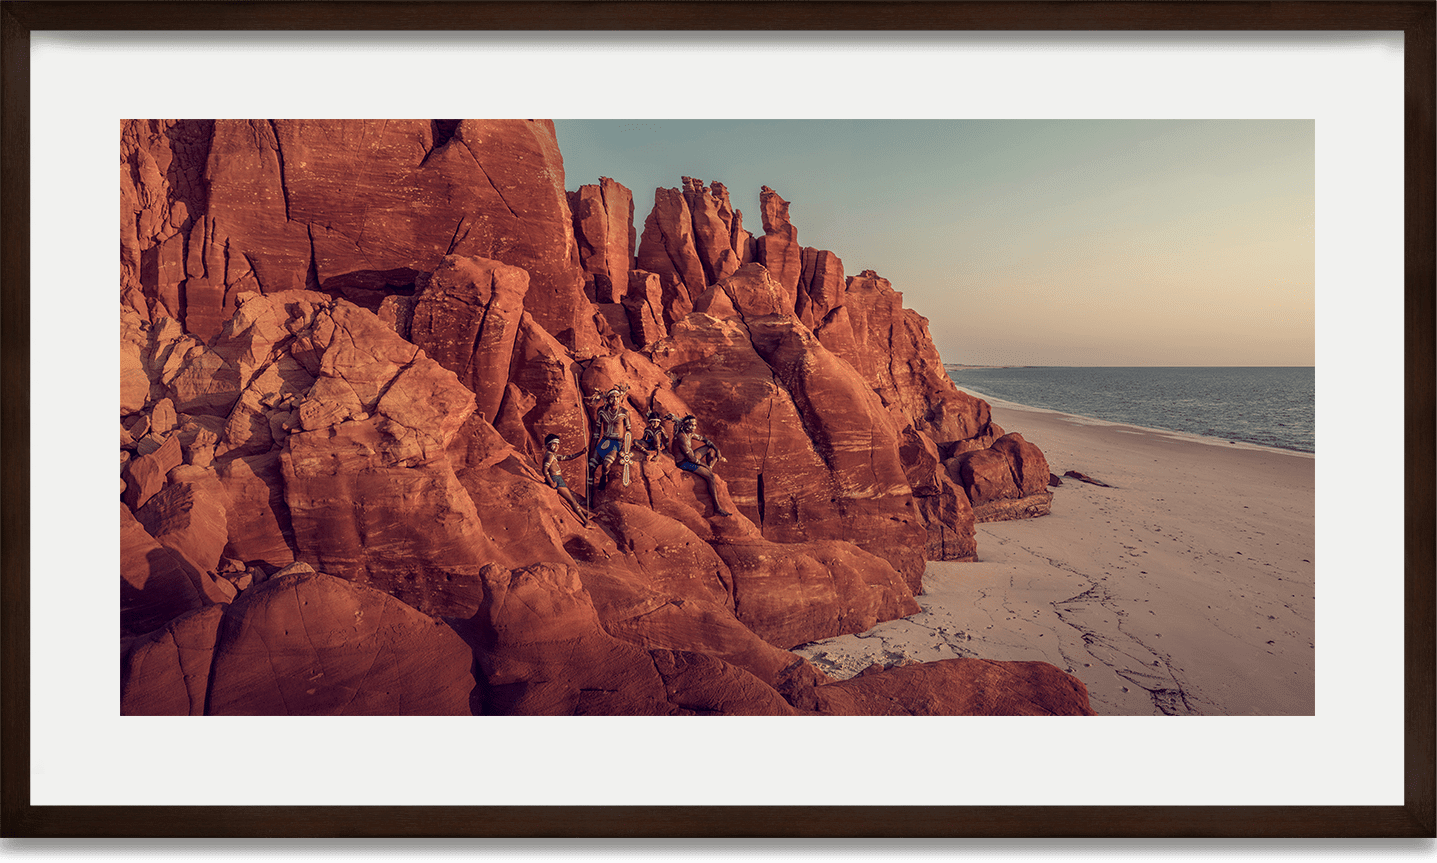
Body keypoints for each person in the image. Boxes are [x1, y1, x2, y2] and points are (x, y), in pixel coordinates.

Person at [673, 415, 731, 517]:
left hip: (689, 458)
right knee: (711, 477)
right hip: (684, 463)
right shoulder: (681, 437)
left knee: (710, 448)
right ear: (685, 425)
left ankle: (709, 468)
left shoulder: (689, 434)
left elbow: (703, 439)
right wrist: (704, 466)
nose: (693, 427)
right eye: (691, 425)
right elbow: (691, 458)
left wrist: (717, 450)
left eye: (694, 425)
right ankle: (717, 508)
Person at [586, 384, 633, 489]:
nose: (615, 399)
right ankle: (589, 495)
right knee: (591, 467)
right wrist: (593, 447)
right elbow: (597, 430)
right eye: (612, 397)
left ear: (620, 398)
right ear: (607, 399)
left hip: (617, 443)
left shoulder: (624, 413)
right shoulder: (601, 411)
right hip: (604, 441)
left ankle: (604, 476)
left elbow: (628, 431)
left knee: (606, 465)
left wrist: (626, 447)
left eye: (617, 397)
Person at [541, 433, 588, 526]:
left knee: (570, 498)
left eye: (558, 444)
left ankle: (586, 513)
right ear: (548, 445)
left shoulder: (553, 455)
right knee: (572, 501)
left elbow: (568, 457)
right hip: (556, 480)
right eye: (554, 444)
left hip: (558, 479)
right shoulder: (550, 456)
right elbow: (545, 469)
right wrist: (551, 482)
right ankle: (586, 522)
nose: (557, 446)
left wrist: (581, 452)